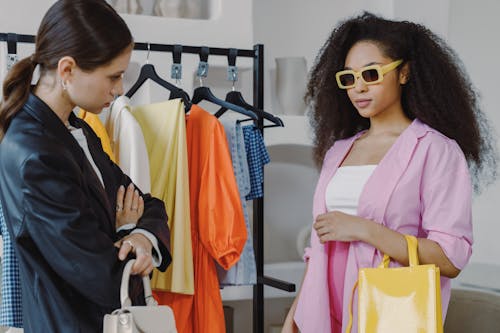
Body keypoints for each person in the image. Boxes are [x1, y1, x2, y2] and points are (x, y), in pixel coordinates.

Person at [282, 12, 497, 333]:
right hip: (322, 315)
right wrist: (294, 318)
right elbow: (320, 248)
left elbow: (449, 260)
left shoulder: (435, 150)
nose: (358, 88)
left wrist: (363, 229)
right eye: (349, 78)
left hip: (388, 315)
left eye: (371, 74)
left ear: (404, 73)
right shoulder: (338, 151)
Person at [0, 1, 172, 332]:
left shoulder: (79, 130)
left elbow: (148, 204)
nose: (120, 89)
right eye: (114, 76)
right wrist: (126, 232)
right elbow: (105, 279)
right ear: (67, 71)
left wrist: (140, 235)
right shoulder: (35, 153)